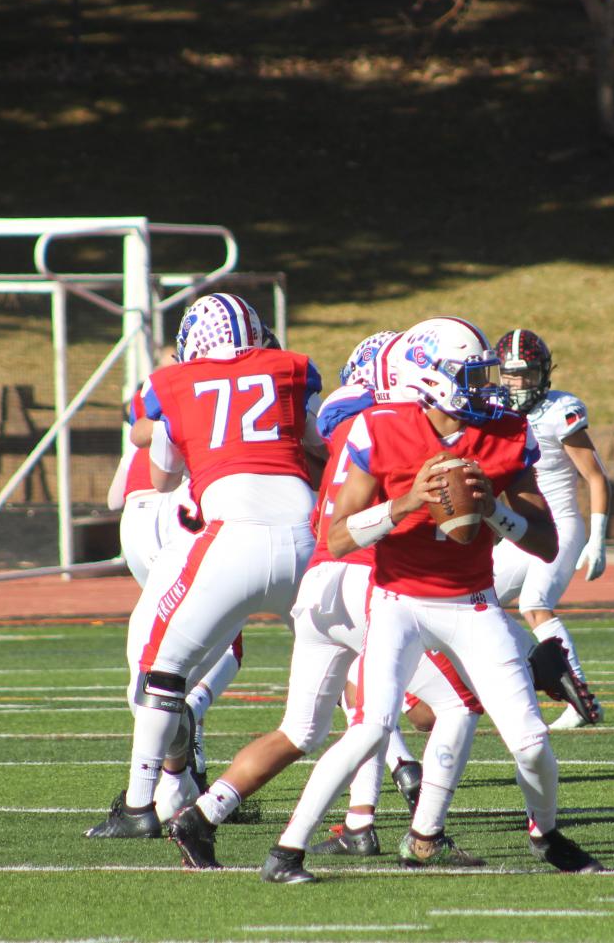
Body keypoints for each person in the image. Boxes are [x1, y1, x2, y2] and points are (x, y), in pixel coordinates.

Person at [256, 316, 602, 883]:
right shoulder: (380, 428)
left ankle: (546, 833)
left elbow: (545, 543)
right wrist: (407, 502)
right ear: (429, 377)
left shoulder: (507, 432)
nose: (485, 384)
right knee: (369, 727)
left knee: (532, 740)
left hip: (473, 604)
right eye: (470, 373)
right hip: (396, 603)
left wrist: (495, 511)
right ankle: (286, 850)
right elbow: (338, 538)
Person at [164, 329, 490, 868]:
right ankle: (426, 836)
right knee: (456, 704)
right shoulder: (405, 426)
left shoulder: (350, 417)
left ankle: (201, 816)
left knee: (301, 730)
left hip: (318, 584)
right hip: (365, 582)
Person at [84, 292, 322, 839]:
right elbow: (318, 446)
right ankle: (374, 807)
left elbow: (164, 476)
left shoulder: (172, 383)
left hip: (230, 539)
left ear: (191, 344)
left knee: (159, 672)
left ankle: (141, 805)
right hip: (307, 536)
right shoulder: (292, 368)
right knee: (358, 670)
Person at [103, 349, 246, 823]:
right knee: (217, 646)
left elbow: (115, 492)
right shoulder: (223, 383)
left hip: (135, 521)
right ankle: (171, 772)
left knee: (161, 648)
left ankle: (175, 771)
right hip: (187, 509)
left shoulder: (159, 387)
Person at [491, 328, 610, 729]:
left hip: (558, 527)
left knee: (533, 603)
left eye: (528, 374)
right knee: (474, 595)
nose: (520, 383)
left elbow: (596, 477)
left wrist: (597, 538)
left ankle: (578, 696)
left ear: (544, 373)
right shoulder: (493, 410)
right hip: (520, 529)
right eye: (511, 374)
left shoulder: (560, 411)